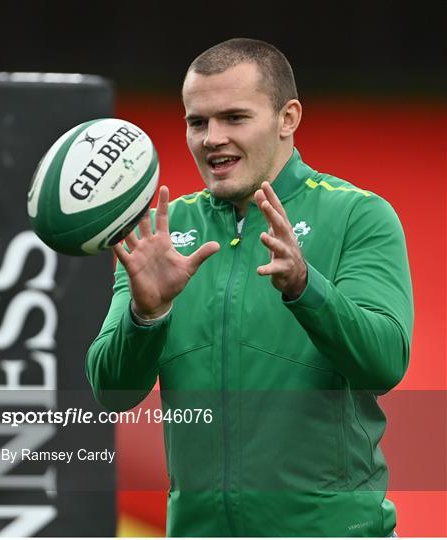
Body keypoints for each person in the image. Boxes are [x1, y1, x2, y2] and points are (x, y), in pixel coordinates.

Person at [86, 38, 413, 537]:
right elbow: (111, 393)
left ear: (288, 118)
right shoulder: (160, 232)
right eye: (197, 122)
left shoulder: (358, 215)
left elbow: (385, 364)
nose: (211, 137)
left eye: (234, 118)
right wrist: (146, 316)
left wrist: (307, 287)